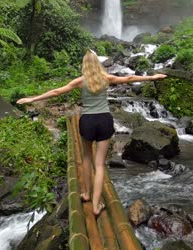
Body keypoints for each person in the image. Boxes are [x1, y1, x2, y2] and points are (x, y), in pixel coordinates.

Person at [17, 50, 167, 217]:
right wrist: (153, 78)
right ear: (97, 63)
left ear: (84, 65)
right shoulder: (106, 78)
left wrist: (31, 99)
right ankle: (96, 205)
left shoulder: (80, 81)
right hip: (104, 121)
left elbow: (56, 92)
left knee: (86, 159)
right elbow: (129, 79)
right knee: (100, 164)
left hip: (87, 121)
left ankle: (86, 193)